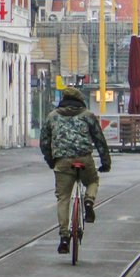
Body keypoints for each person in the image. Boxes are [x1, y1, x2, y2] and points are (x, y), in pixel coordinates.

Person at [40, 86, 112, 254]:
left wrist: (51, 161)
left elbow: (44, 142)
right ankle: (89, 201)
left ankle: (64, 237)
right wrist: (105, 163)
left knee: (63, 198)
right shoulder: (88, 116)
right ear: (81, 100)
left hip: (62, 162)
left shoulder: (52, 117)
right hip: (84, 160)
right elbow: (100, 141)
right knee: (93, 181)